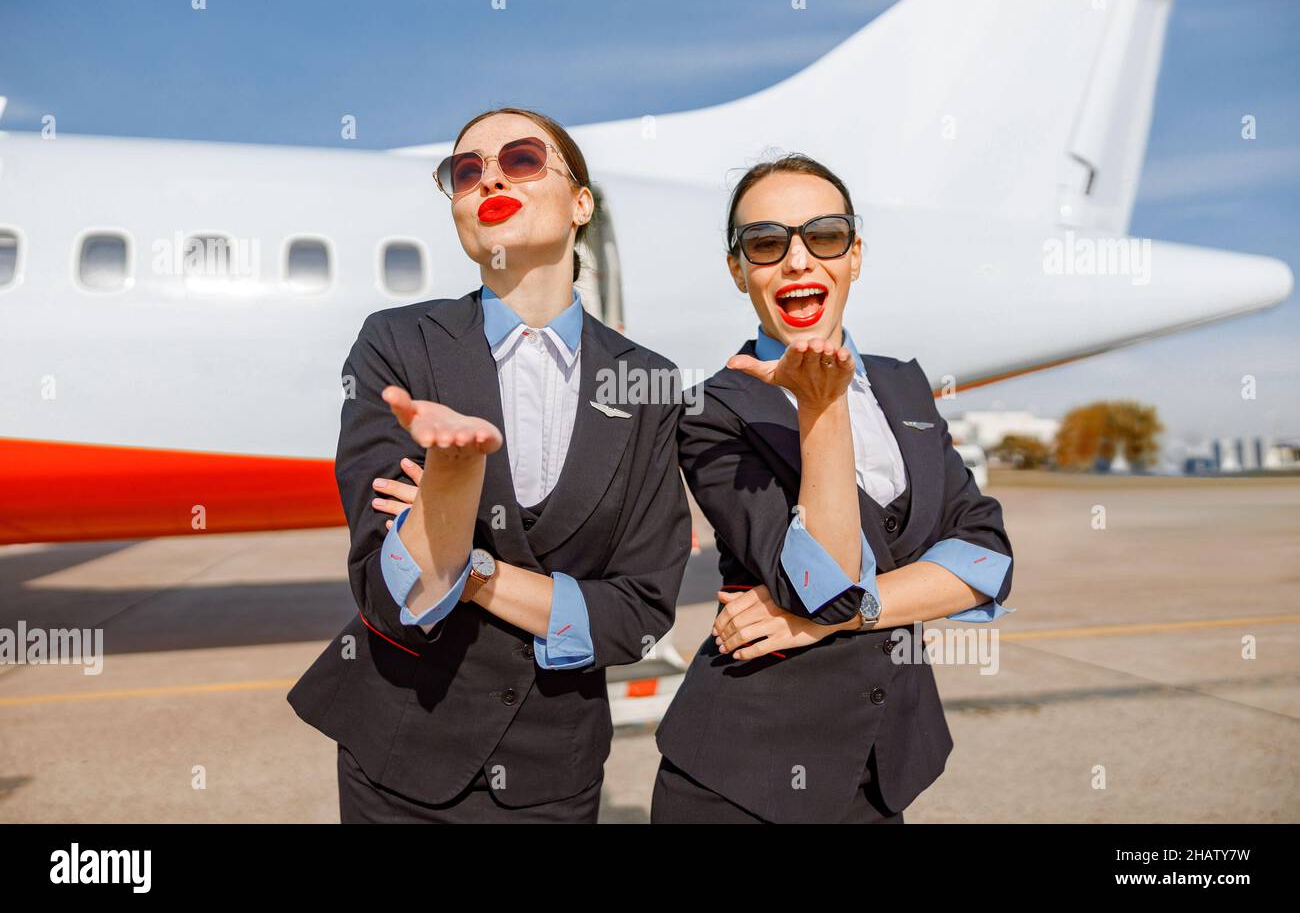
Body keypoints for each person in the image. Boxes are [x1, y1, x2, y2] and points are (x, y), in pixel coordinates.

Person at [287, 107, 692, 822]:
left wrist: (473, 570)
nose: (489, 178)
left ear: (580, 203)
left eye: (523, 159)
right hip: (397, 757)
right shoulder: (397, 346)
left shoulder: (648, 383)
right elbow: (389, 595)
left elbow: (637, 613)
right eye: (465, 171)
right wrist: (452, 476)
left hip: (552, 773)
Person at [650, 153, 1015, 824]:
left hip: (881, 772)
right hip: (742, 777)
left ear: (854, 256)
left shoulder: (905, 385)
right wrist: (822, 409)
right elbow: (821, 586)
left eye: (823, 236)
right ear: (739, 271)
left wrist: (851, 614)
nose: (797, 260)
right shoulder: (712, 411)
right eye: (766, 243)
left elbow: (988, 559)